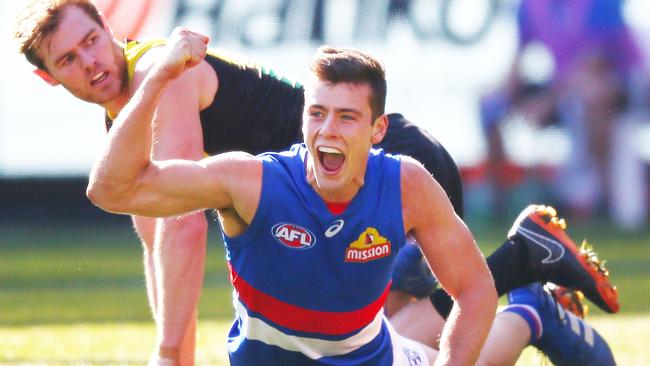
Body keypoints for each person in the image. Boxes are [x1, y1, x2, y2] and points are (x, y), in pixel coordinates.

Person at [13, 1, 619, 363]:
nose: (90, 61)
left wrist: (170, 352)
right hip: (324, 202)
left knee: (362, 343)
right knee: (399, 350)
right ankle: (527, 277)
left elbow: (180, 227)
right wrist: (166, 344)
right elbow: (153, 230)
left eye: (91, 39)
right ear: (48, 77)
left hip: (378, 171)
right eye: (68, 59)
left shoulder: (156, 72)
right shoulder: (126, 114)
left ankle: (522, 277)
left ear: (106, 23)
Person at [87, 33, 499, 364]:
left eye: (347, 117)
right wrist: (158, 77)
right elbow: (111, 188)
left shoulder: (407, 184)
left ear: (377, 131)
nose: (328, 130)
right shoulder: (251, 183)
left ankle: (530, 312)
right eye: (317, 113)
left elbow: (475, 288)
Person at [480, 0, 646, 219]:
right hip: (566, 87)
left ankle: (603, 200)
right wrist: (502, 97)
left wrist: (547, 102)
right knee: (489, 107)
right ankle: (499, 207)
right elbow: (519, 57)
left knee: (593, 96)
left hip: (624, 83)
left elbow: (594, 63)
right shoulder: (531, 6)